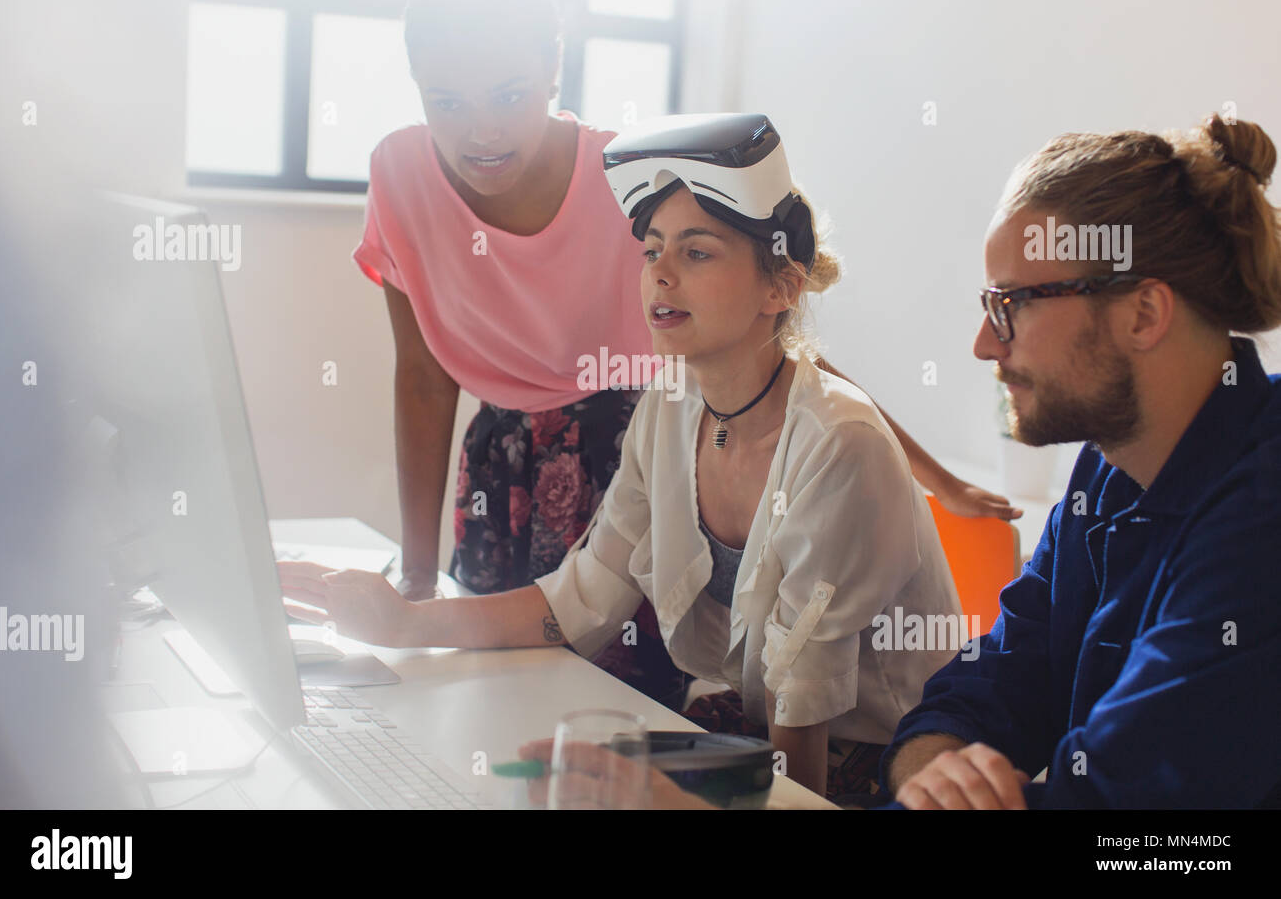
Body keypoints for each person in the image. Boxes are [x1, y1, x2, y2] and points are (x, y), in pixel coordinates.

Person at [355, 0, 1014, 712]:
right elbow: (426, 382)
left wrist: (937, 477)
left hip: (639, 466)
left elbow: (773, 340)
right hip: (514, 481)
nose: (482, 130)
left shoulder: (635, 186)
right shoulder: (400, 176)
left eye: (508, 95)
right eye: (449, 102)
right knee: (500, 708)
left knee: (608, 712)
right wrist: (409, 595)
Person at [284, 112, 962, 807]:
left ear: (780, 289)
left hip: (884, 768)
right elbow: (579, 599)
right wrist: (403, 624)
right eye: (652, 251)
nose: (660, 274)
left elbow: (804, 731)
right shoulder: (671, 406)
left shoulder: (837, 444)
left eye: (697, 254)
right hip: (761, 737)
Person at [881, 113, 1281, 809]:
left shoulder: (1263, 512)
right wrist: (934, 767)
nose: (984, 343)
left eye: (1012, 304)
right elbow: (1004, 673)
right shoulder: (1109, 461)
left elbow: (1114, 810)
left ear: (1142, 314)